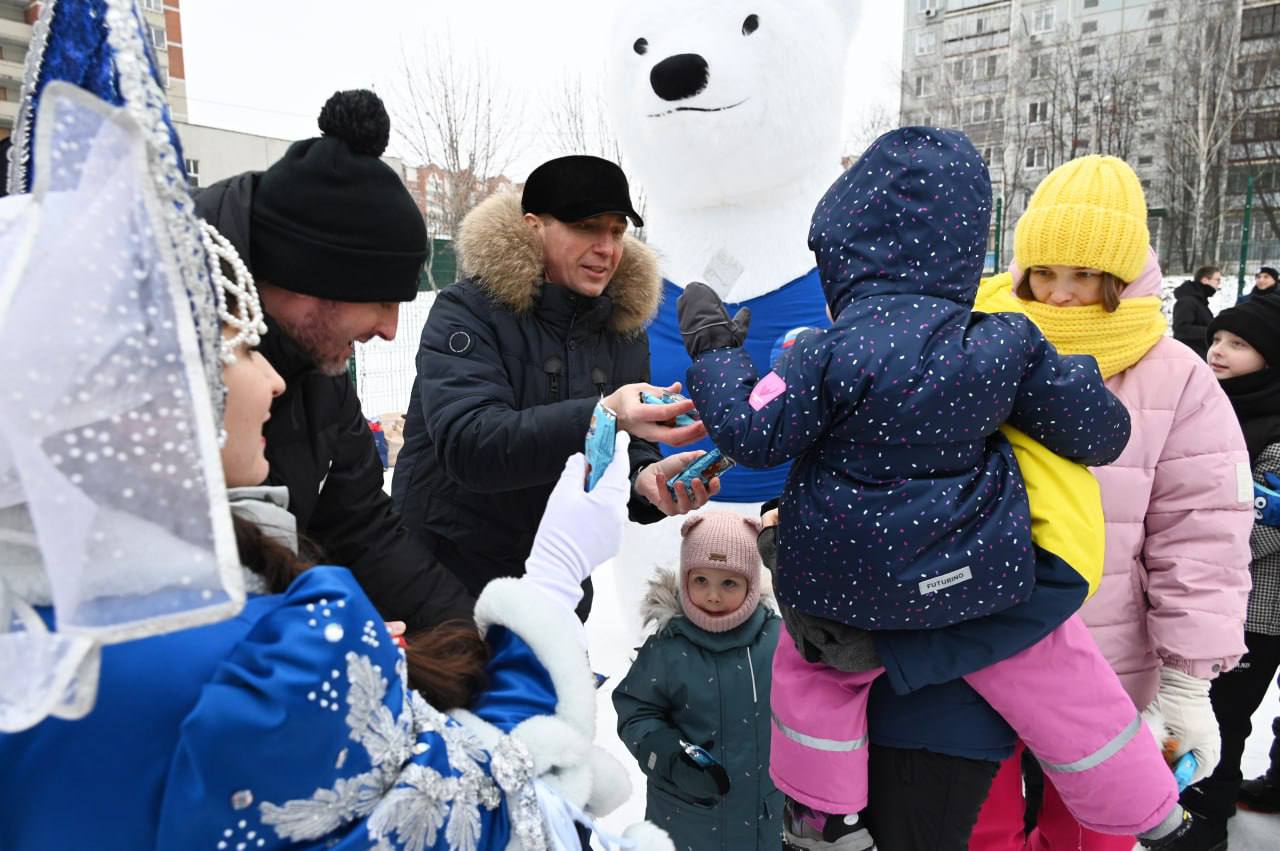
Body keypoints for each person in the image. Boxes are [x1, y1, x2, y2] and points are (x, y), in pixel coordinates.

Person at [677, 130, 1193, 850]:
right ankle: (1149, 806)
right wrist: (1064, 371)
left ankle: (825, 819)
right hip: (972, 574)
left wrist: (716, 351)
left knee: (814, 669)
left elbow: (752, 431)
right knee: (1055, 664)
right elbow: (1099, 434)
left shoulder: (824, 351)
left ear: (843, 246)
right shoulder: (1001, 340)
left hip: (841, 584)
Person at [969, 157, 1253, 851]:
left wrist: (1189, 678)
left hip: (1105, 666)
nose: (1060, 295)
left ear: (1122, 277)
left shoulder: (1174, 375)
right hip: (974, 644)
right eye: (1046, 272)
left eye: (1086, 275)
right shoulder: (975, 344)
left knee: (1089, 836)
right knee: (982, 831)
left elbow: (1202, 539)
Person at [194, 89, 474, 633]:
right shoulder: (162, 347)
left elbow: (361, 525)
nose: (391, 329)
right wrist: (323, 641)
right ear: (310, 281)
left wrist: (473, 640)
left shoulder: (317, 362)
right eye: (380, 301)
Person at [392, 155, 719, 613]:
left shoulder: (622, 328)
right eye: (588, 227)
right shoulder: (467, 311)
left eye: (618, 231)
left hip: (557, 575)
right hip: (445, 578)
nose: (607, 248)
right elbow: (469, 445)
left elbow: (626, 442)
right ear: (534, 227)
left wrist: (645, 477)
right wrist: (604, 414)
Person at [613, 512, 783, 851]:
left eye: (729, 583)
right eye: (701, 580)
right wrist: (666, 755)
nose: (713, 596)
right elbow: (637, 710)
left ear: (751, 582)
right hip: (686, 814)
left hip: (766, 814)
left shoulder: (777, 640)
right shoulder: (668, 646)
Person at [1179, 295, 1280, 845]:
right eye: (1218, 338)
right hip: (1218, 591)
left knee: (1222, 715)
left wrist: (1190, 538)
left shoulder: (1273, 429)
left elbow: (1262, 528)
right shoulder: (1213, 401)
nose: (1218, 351)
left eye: (1239, 345)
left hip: (1256, 606)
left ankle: (1205, 818)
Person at [1172, 265, 1222, 358]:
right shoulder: (1187, 301)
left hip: (1197, 355)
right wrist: (1211, 330)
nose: (1219, 284)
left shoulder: (1199, 300)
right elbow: (1181, 329)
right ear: (1205, 280)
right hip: (1190, 357)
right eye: (1217, 280)